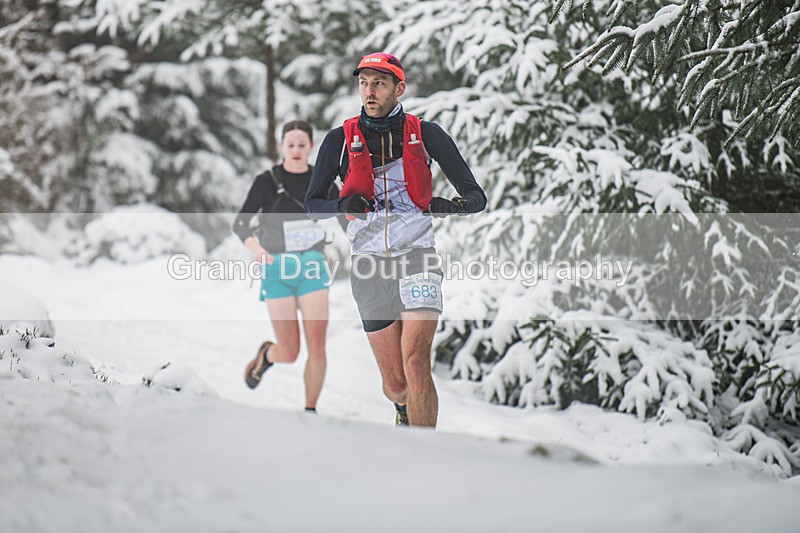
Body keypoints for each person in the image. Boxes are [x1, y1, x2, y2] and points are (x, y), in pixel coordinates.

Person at [305, 52, 486, 427]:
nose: (369, 92)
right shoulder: (339, 139)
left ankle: (423, 458)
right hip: (369, 265)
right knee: (396, 383)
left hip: (418, 257)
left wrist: (450, 206)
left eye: (379, 83)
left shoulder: (426, 133)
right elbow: (312, 205)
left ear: (399, 87)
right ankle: (403, 411)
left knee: (418, 363)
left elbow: (476, 197)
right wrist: (342, 204)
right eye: (364, 83)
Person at [233, 120, 338, 413]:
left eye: (301, 145)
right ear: (281, 146)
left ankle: (310, 410)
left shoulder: (322, 179)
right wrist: (257, 250)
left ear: (311, 147)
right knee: (290, 352)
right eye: (290, 145)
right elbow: (241, 223)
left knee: (317, 346)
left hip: (312, 264)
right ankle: (268, 355)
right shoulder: (266, 181)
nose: (295, 150)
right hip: (276, 267)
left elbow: (345, 215)